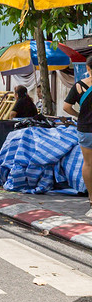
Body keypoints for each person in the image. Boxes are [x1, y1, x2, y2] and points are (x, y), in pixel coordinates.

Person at [62, 62, 92, 217]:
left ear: (88, 68)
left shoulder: (79, 86)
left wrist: (78, 115)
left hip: (85, 129)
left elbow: (66, 107)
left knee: (88, 163)